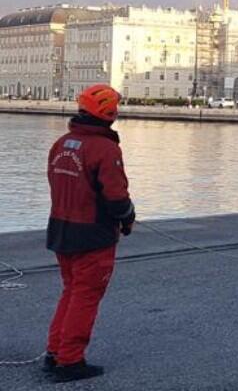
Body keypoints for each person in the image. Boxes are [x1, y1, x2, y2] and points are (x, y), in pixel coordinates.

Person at [44, 84, 135, 383]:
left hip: (61, 229)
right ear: (109, 113)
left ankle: (55, 352)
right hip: (92, 235)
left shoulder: (61, 143)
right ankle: (70, 361)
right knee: (85, 296)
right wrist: (127, 217)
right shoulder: (105, 148)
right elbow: (116, 196)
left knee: (70, 292)